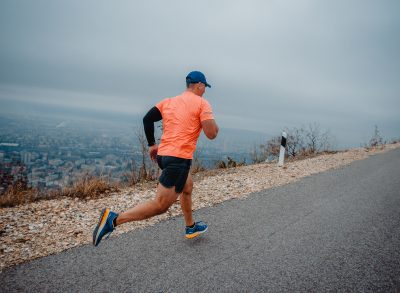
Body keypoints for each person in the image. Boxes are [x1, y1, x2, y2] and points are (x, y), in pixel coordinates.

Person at [93, 71, 219, 246]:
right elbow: (211, 134)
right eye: (204, 87)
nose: (205, 90)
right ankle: (113, 220)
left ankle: (190, 226)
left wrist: (152, 145)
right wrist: (214, 124)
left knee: (187, 185)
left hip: (163, 156)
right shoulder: (202, 104)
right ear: (199, 85)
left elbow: (147, 119)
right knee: (160, 205)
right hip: (178, 159)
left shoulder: (169, 101)